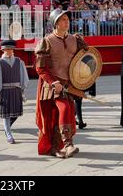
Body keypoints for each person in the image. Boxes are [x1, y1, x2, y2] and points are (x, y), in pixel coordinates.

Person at [35, 8, 89, 158]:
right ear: (55, 23)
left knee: (62, 114)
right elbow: (40, 69)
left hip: (69, 84)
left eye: (67, 19)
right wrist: (53, 82)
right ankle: (68, 144)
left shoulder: (74, 39)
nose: (67, 22)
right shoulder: (47, 41)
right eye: (63, 20)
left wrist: (82, 82)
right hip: (52, 85)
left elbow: (85, 60)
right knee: (63, 110)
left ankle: (55, 148)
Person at [0, 40, 29, 144]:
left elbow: (23, 76)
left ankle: (7, 128)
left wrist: (22, 91)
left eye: (10, 49)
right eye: (6, 49)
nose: (9, 51)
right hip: (5, 91)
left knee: (15, 114)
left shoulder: (19, 62)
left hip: (16, 90)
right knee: (6, 114)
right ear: (2, 50)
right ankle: (8, 133)